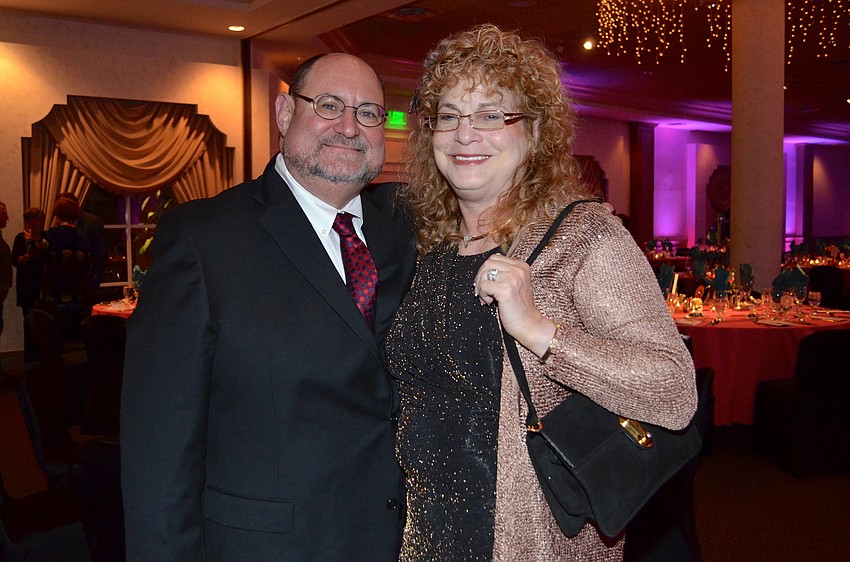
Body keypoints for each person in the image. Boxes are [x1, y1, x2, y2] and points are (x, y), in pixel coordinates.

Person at [384, 24, 697, 561]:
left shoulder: (584, 237)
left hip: (530, 539)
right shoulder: (425, 244)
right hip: (420, 535)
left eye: (491, 115)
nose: (465, 135)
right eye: (449, 116)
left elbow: (673, 389)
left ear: (534, 132)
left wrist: (541, 332)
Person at [121, 52, 417, 562]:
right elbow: (159, 454)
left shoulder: (405, 229)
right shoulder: (204, 239)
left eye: (369, 113)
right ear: (284, 114)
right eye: (329, 105)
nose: (350, 126)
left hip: (397, 540)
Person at [12, 207, 49, 320]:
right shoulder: (20, 238)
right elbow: (15, 260)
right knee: (29, 317)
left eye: (40, 220)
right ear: (28, 222)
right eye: (35, 220)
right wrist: (29, 255)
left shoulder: (46, 237)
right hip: (26, 284)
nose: (39, 223)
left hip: (43, 283)